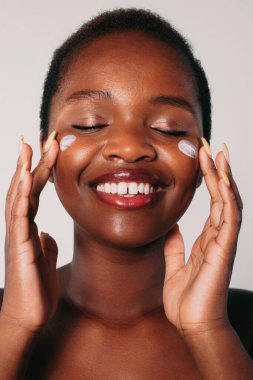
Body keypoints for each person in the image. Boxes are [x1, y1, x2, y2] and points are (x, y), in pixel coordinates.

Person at [0, 8, 253, 379]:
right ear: (45, 155)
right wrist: (14, 327)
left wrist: (209, 331)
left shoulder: (242, 325)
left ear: (203, 161)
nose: (130, 147)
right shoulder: (5, 321)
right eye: (92, 123)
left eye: (169, 128)